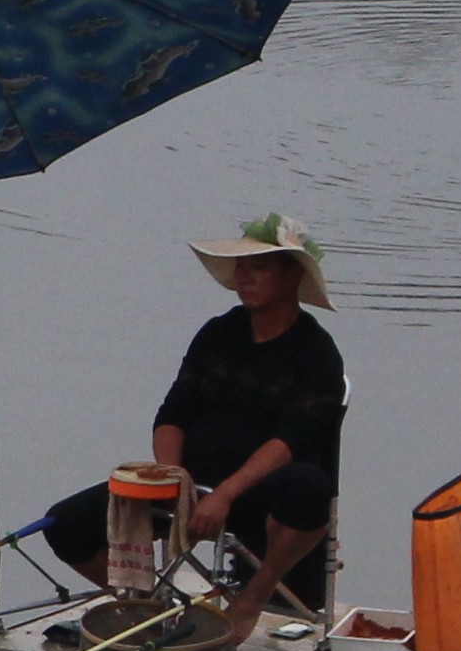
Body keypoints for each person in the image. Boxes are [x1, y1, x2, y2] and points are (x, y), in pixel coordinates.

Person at [40, 212, 343, 620]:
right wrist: (172, 477)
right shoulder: (218, 333)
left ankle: (255, 596)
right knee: (64, 525)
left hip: (261, 492)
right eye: (242, 267)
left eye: (259, 267)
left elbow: (291, 439)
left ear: (291, 277)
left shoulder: (317, 352)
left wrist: (226, 494)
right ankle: (145, 607)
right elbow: (173, 412)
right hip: (190, 483)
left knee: (310, 489)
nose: (245, 277)